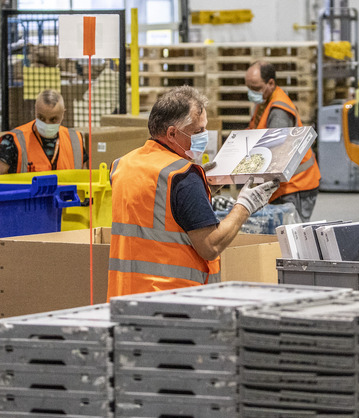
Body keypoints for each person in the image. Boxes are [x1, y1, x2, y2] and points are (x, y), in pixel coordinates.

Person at [107, 86, 279, 299]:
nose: (204, 136)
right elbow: (211, 245)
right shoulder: (183, 176)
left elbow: (158, 209)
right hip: (173, 302)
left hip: (125, 295)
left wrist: (201, 188)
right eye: (198, 131)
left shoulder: (123, 165)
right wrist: (245, 205)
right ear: (172, 133)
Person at [245, 61, 320, 222]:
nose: (252, 92)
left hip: (296, 185)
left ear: (270, 83)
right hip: (286, 185)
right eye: (249, 87)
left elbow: (274, 153)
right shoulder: (265, 101)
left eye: (256, 88)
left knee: (293, 237)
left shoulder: (279, 111)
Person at [0, 89, 86, 175]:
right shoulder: (14, 141)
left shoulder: (75, 141)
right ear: (35, 111)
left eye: (53, 119)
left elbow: (85, 179)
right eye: (41, 118)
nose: (47, 123)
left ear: (63, 114)